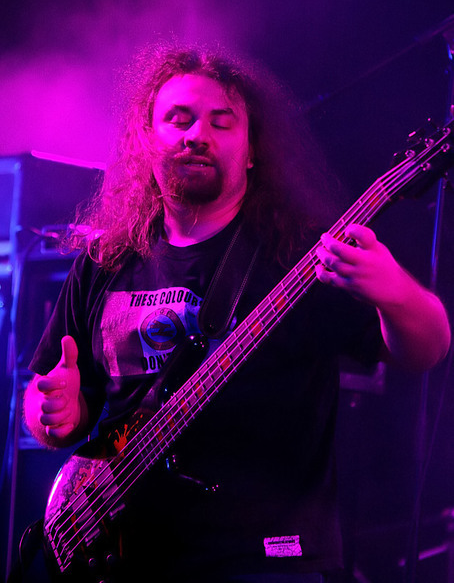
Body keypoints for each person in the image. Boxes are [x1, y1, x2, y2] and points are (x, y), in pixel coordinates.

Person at [23, 43, 450, 583]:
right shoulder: (106, 259)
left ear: (250, 151)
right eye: (179, 119)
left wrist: (396, 294)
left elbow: (429, 346)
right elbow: (52, 403)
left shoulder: (300, 256)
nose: (197, 134)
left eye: (221, 123)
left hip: (262, 558)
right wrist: (52, 412)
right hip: (127, 555)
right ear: (146, 138)